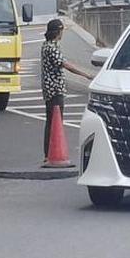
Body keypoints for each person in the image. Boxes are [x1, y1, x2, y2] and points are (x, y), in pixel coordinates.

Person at [40, 18, 93, 162]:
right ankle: (51, 153)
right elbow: (66, 65)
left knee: (51, 121)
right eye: (62, 30)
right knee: (55, 122)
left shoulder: (47, 45)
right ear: (58, 32)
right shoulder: (52, 48)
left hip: (49, 89)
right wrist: (86, 75)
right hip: (55, 89)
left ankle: (48, 153)